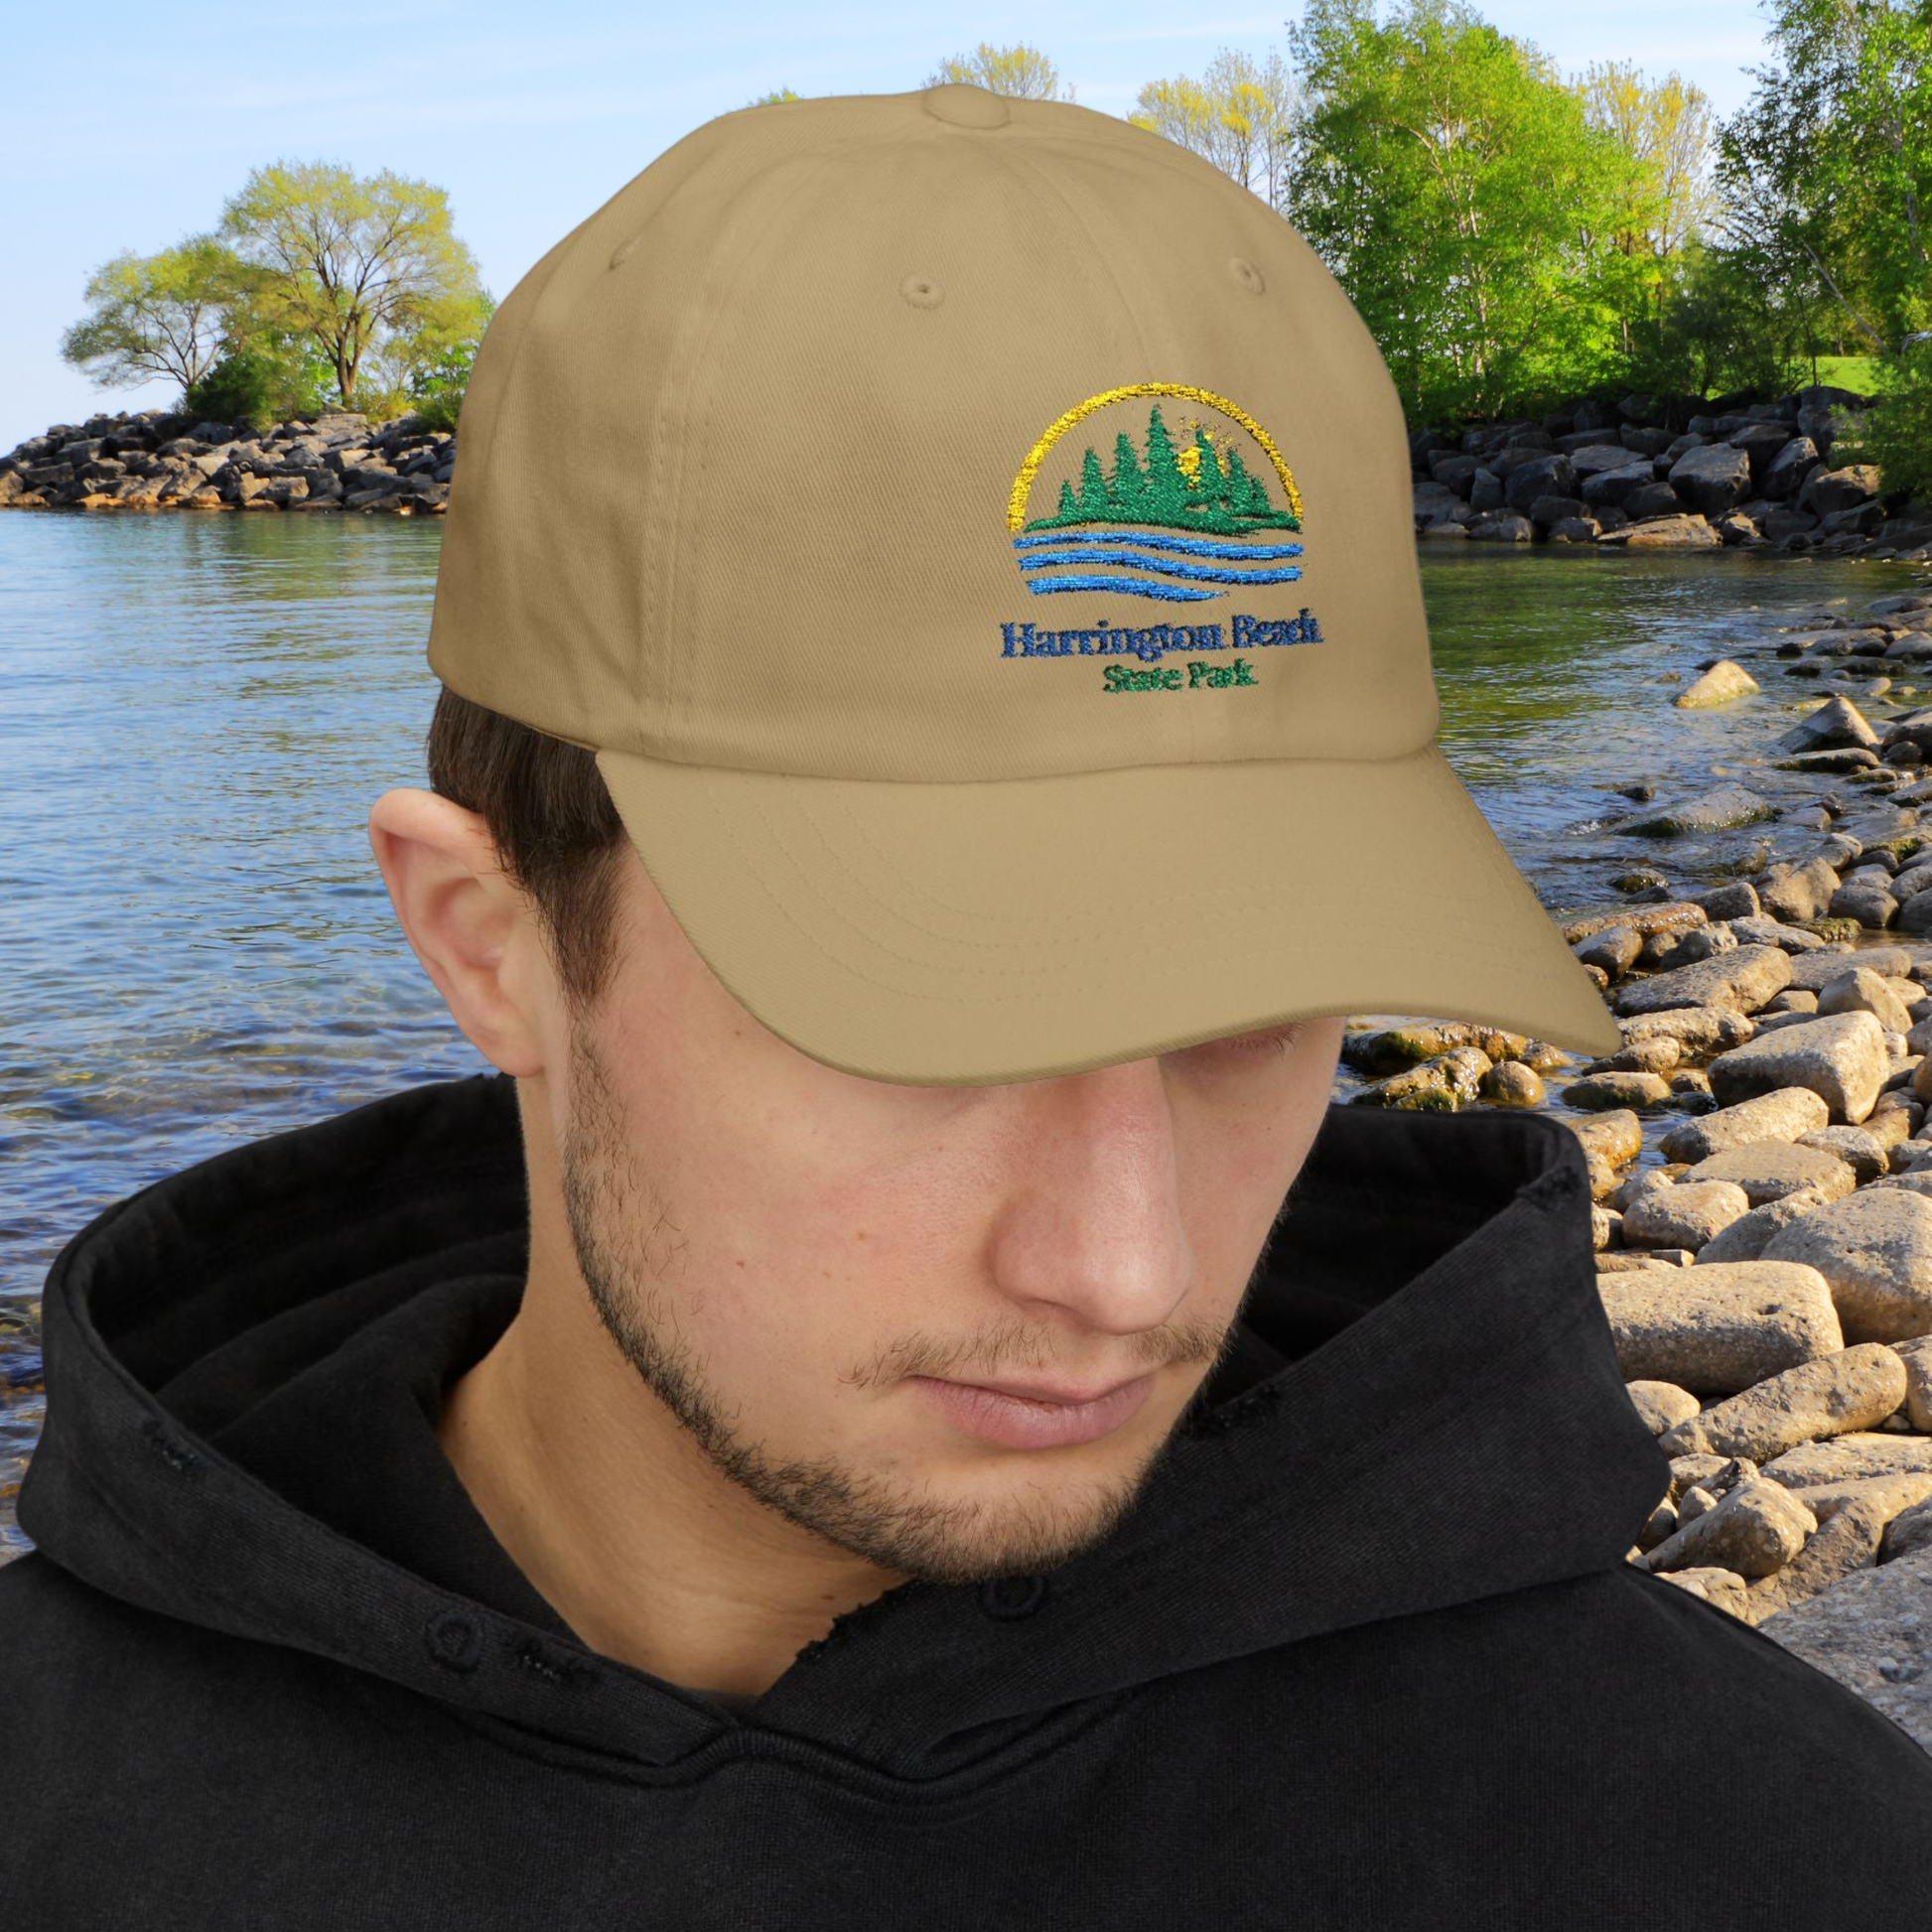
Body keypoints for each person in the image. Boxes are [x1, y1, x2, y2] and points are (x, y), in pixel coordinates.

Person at [4, 82, 1929, 1927]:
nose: (1124, 1266)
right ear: (486, 939)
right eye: (915, 1018)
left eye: (1251, 999)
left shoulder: (1769, 1857)